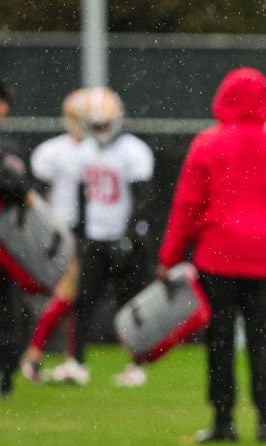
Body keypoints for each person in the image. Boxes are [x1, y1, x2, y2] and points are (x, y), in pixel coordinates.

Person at [157, 67, 266, 444]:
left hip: (216, 257)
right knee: (263, 342)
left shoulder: (207, 145)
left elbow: (186, 208)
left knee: (220, 341)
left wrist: (169, 257)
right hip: (263, 259)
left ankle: (224, 420)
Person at [44, 87, 154, 388]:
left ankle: (136, 364)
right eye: (95, 125)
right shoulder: (86, 151)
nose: (100, 130)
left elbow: (143, 197)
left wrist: (130, 234)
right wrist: (81, 231)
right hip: (96, 237)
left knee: (130, 305)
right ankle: (76, 361)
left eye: (104, 123)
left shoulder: (134, 151)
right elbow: (83, 193)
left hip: (125, 239)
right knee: (84, 302)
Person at [21, 88, 89, 383]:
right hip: (62, 230)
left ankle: (68, 358)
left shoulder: (95, 151)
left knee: (74, 298)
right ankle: (36, 355)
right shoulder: (54, 152)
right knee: (67, 295)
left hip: (87, 229)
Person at [0, 80, 35, 399]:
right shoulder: (6, 148)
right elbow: (20, 190)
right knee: (7, 311)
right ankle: (6, 375)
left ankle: (7, 374)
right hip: (4, 242)